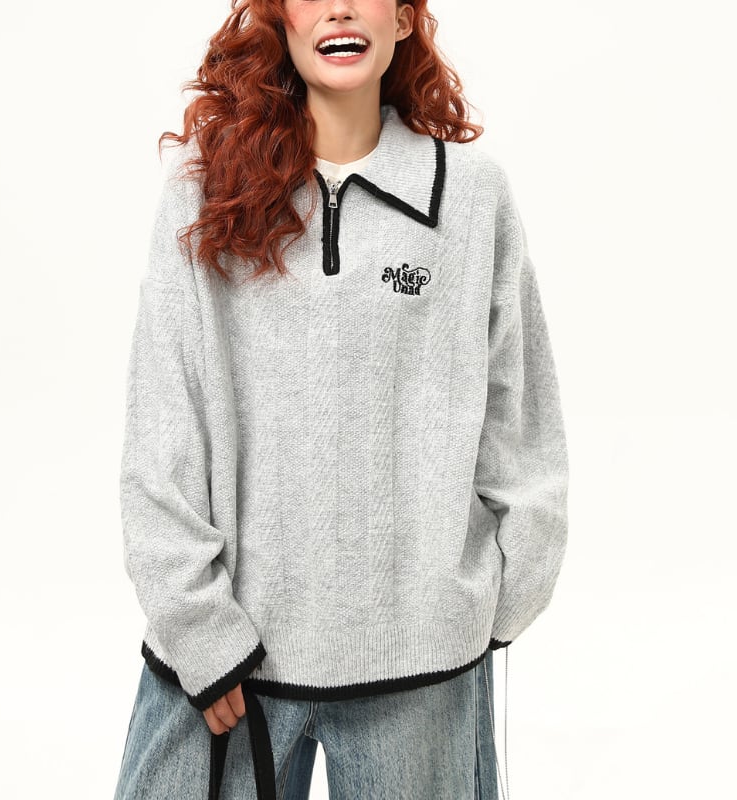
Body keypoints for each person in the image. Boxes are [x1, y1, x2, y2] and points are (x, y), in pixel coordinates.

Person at [113, 0, 569, 798]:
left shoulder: (471, 198)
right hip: (225, 664)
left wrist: (488, 604)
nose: (341, 8)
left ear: (404, 19)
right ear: (280, 18)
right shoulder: (202, 190)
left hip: (421, 663)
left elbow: (520, 418)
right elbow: (163, 422)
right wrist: (197, 626)